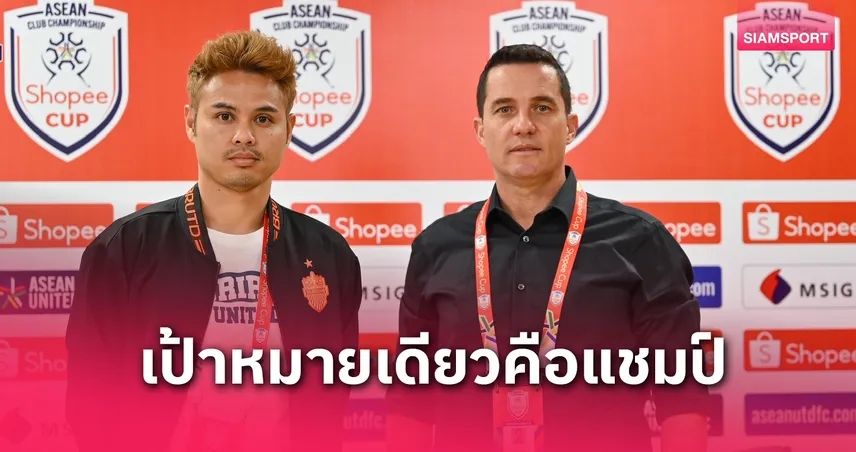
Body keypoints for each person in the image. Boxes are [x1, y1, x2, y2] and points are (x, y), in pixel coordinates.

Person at [385, 44, 709, 452]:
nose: (523, 125)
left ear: (570, 126)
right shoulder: (435, 247)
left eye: (541, 107)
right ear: (481, 130)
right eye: (504, 109)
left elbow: (683, 399)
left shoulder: (641, 242)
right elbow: (410, 403)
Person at [65, 30, 362, 452]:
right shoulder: (124, 249)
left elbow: (332, 400)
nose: (244, 135)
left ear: (289, 129)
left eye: (263, 119)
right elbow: (89, 407)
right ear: (191, 122)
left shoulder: (329, 254)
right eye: (224, 116)